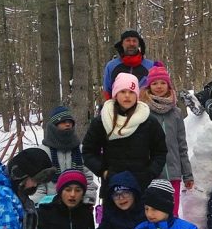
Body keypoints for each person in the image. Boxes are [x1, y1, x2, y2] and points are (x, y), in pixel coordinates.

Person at [82, 72, 167, 194]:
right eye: (123, 91)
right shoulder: (102, 120)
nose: (127, 96)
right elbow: (88, 151)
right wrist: (104, 172)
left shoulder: (148, 121)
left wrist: (149, 173)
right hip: (112, 187)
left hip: (141, 187)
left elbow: (160, 152)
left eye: (131, 92)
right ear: (116, 94)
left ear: (136, 95)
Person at [140, 65, 194, 215]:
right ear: (149, 86)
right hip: (153, 174)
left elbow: (182, 145)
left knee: (172, 213)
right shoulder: (143, 112)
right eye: (155, 83)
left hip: (173, 173)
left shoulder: (176, 113)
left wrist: (187, 174)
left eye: (162, 83)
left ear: (168, 85)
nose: (159, 87)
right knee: (154, 214)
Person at [31, 105, 97, 207]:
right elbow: (39, 183)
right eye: (63, 121)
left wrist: (87, 201)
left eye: (70, 122)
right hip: (50, 208)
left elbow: (88, 179)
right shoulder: (43, 151)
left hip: (77, 206)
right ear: (54, 125)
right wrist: (40, 205)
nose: (67, 124)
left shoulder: (80, 150)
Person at [102, 29, 156, 99]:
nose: (131, 44)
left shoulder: (151, 66)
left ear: (139, 44)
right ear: (122, 44)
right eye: (128, 40)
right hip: (118, 108)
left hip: (145, 108)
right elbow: (107, 92)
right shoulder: (111, 66)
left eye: (134, 41)